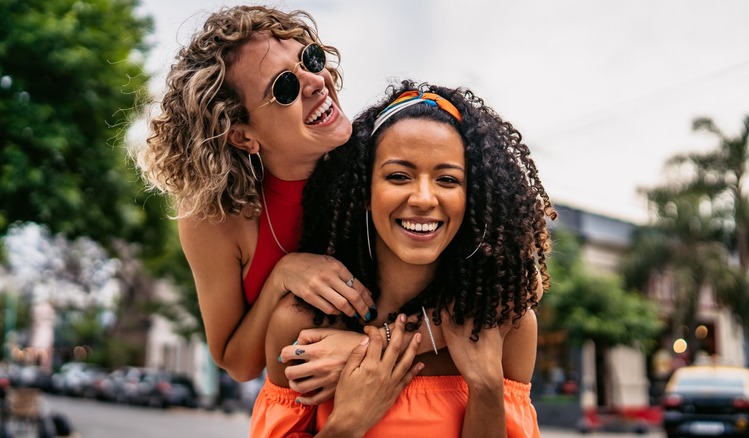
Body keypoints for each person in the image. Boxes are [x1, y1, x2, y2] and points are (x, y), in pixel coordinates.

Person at [251, 81, 556, 437]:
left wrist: (486, 389)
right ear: (365, 191)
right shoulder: (301, 326)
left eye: (447, 179)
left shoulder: (505, 325)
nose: (424, 198)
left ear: (469, 198)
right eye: (399, 176)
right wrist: (348, 423)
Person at [134, 5, 375, 395]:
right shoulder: (215, 219)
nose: (315, 81)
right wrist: (283, 276)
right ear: (243, 135)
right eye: (284, 88)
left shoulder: (390, 166)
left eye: (309, 58)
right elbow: (237, 362)